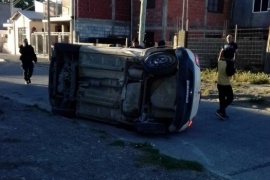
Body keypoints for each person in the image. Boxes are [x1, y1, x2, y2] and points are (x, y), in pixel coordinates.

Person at [216, 34, 238, 120]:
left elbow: (236, 52)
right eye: (228, 38)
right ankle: (221, 110)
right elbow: (230, 74)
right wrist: (233, 65)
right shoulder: (228, 65)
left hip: (219, 83)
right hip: (225, 84)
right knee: (230, 98)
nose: (229, 39)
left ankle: (222, 113)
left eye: (230, 38)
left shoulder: (220, 63)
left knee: (221, 98)